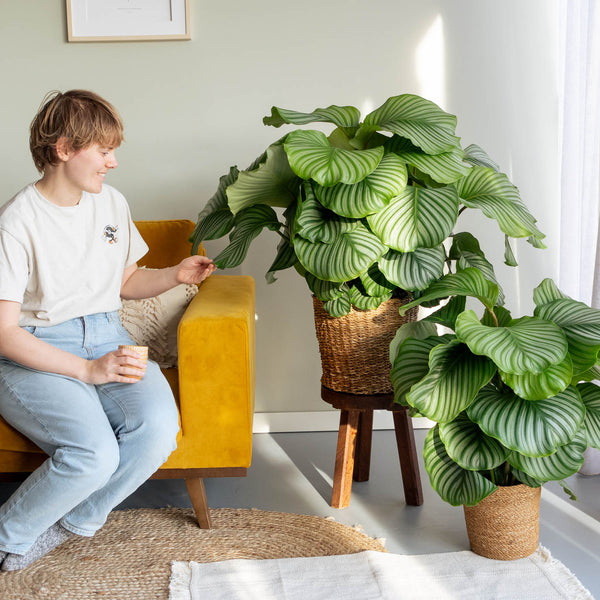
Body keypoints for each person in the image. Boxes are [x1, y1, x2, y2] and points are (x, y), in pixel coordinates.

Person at [0, 90, 216, 571]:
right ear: (63, 150)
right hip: (34, 350)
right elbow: (4, 332)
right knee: (91, 453)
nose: (113, 162)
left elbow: (124, 283)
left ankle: (68, 524)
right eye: (103, 150)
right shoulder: (17, 222)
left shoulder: (111, 204)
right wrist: (84, 369)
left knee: (158, 429)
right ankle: (6, 536)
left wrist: (174, 276)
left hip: (107, 334)